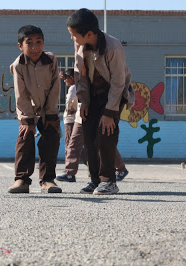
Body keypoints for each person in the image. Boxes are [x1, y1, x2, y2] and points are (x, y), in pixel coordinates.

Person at [67, 8, 134, 194]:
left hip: (114, 95)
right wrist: (84, 102)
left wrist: (109, 112)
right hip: (93, 95)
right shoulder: (80, 46)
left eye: (74, 35)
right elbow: (79, 75)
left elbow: (119, 82)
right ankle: (95, 180)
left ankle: (109, 181)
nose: (72, 39)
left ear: (89, 34)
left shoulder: (113, 47)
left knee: (105, 134)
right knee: (89, 136)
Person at [7, 25, 62, 194]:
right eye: (29, 43)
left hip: (47, 107)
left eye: (39, 42)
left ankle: (48, 180)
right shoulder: (18, 65)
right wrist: (27, 121)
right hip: (28, 108)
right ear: (20, 46)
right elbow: (21, 95)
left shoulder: (51, 60)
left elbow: (55, 87)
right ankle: (22, 180)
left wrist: (51, 114)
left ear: (44, 43)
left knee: (51, 140)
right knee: (25, 138)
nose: (34, 47)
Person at [56, 68, 87, 182]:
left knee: (70, 146)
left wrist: (69, 109)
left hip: (71, 119)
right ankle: (93, 166)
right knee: (76, 147)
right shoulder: (76, 86)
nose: (65, 81)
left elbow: (70, 102)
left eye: (66, 79)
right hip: (74, 118)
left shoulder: (73, 88)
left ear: (72, 78)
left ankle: (69, 172)